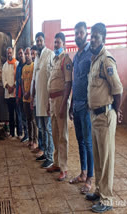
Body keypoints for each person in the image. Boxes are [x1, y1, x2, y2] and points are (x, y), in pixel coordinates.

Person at [85, 23, 123, 213]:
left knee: (107, 159)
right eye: (92, 36)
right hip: (95, 117)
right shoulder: (95, 60)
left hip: (105, 116)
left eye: (96, 37)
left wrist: (115, 111)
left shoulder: (107, 60)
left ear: (103, 39)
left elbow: (118, 89)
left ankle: (107, 200)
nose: (92, 40)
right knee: (99, 157)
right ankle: (99, 191)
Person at [68, 22, 94, 194]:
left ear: (86, 34)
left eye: (81, 33)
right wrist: (71, 104)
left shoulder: (92, 54)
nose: (78, 36)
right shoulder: (76, 56)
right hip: (76, 104)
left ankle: (90, 178)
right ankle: (83, 172)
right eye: (76, 33)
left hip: (86, 106)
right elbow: (75, 82)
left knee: (88, 142)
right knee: (80, 141)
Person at [47, 32, 72, 181]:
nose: (56, 45)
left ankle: (64, 168)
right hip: (52, 101)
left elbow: (68, 83)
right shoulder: (55, 60)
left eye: (58, 42)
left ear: (63, 43)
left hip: (61, 101)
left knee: (63, 135)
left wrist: (64, 105)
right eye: (55, 43)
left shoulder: (66, 60)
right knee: (55, 134)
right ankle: (56, 162)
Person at [31, 32, 55, 168]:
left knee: (48, 129)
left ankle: (50, 157)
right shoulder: (37, 58)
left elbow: (52, 79)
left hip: (46, 101)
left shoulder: (50, 55)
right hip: (38, 101)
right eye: (37, 40)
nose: (39, 43)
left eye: (40, 40)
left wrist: (50, 101)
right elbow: (35, 79)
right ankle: (45, 153)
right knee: (41, 128)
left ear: (44, 41)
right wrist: (32, 97)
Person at [21, 47, 37, 148]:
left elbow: (34, 82)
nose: (27, 56)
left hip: (32, 98)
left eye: (28, 54)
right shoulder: (23, 68)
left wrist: (30, 93)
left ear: (32, 55)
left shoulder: (34, 66)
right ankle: (30, 139)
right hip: (25, 98)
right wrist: (24, 92)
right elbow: (22, 82)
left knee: (33, 120)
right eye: (26, 54)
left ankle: (35, 141)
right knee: (28, 119)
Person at [2, 47, 19, 139]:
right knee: (11, 114)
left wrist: (14, 86)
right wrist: (8, 86)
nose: (9, 54)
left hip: (15, 93)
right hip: (8, 94)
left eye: (10, 53)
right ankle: (12, 133)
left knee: (18, 114)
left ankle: (19, 133)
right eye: (8, 53)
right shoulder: (4, 65)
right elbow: (3, 78)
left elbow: (18, 77)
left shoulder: (17, 63)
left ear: (13, 53)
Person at [30, 44, 44, 157]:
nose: (33, 55)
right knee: (38, 123)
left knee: (41, 125)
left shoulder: (37, 64)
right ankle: (40, 146)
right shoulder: (35, 65)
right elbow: (33, 82)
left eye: (34, 53)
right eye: (32, 53)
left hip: (40, 99)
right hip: (34, 99)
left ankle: (42, 148)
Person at [15, 47, 28, 143]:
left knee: (29, 117)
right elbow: (17, 82)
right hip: (20, 94)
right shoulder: (18, 66)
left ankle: (31, 137)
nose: (20, 55)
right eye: (19, 54)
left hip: (27, 94)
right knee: (23, 115)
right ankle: (26, 134)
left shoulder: (28, 65)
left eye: (21, 53)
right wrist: (17, 95)